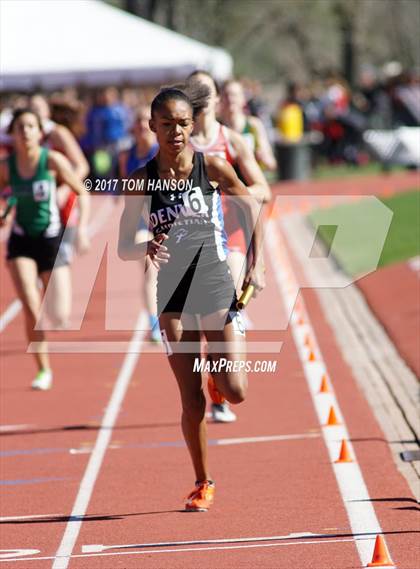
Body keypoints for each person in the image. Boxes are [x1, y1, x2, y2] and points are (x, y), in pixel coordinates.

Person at [118, 86, 265, 511]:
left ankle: (221, 386)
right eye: (166, 125)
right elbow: (124, 244)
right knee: (190, 397)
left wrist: (257, 263)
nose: (176, 132)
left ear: (191, 124)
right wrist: (145, 246)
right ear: (152, 127)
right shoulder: (141, 181)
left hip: (216, 282)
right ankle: (203, 482)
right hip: (174, 293)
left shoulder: (213, 167)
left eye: (183, 123)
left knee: (235, 390)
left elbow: (252, 207)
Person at [186, 70, 271, 422]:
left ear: (216, 98)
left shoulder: (232, 140)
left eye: (206, 90)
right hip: (192, 241)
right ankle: (216, 371)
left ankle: (225, 358)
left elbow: (263, 190)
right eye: (193, 91)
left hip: (232, 233)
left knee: (228, 297)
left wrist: (231, 193)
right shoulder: (180, 143)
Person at [0, 109, 90, 390]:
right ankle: (43, 369)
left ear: (40, 132)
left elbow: (82, 191)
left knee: (59, 314)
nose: (25, 131)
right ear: (12, 134)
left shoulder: (51, 160)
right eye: (20, 127)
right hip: (21, 240)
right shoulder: (6, 166)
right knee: (30, 304)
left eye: (30, 126)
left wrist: (83, 229)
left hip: (51, 239)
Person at [29, 94, 90, 329]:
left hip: (62, 205)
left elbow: (82, 165)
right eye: (30, 109)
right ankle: (52, 308)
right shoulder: (23, 136)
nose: (34, 112)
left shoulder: (57, 134)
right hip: (36, 207)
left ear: (47, 113)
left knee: (60, 257)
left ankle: (60, 314)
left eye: (38, 108)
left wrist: (64, 187)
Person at [118, 105, 160, 342]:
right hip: (140, 223)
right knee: (149, 269)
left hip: (166, 218)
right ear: (134, 126)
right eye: (140, 121)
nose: (143, 125)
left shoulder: (162, 152)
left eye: (148, 121)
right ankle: (153, 322)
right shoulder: (126, 155)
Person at [220, 79, 277, 172]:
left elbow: (272, 164)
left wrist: (263, 158)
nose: (230, 99)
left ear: (243, 99)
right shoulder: (217, 127)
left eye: (234, 95)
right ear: (220, 99)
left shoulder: (254, 125)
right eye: (226, 95)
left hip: (252, 183)